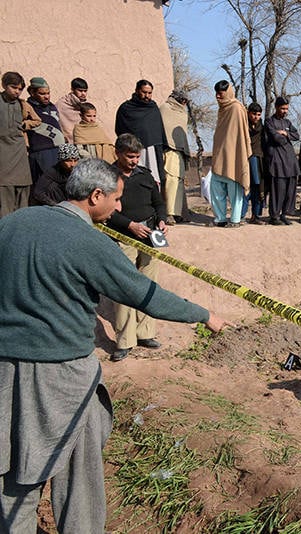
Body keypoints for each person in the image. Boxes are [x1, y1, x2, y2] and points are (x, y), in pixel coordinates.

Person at [0, 158, 229, 534]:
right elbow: (144, 294)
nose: (120, 208)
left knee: (15, 473)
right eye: (117, 199)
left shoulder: (10, 224)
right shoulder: (88, 241)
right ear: (95, 196)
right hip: (63, 379)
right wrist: (203, 314)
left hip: (5, 373)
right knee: (79, 473)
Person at [106, 134, 168, 362]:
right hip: (123, 236)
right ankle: (124, 341)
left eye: (137, 156)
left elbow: (158, 202)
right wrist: (129, 226)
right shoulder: (107, 177)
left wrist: (162, 220)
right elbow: (105, 212)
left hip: (150, 236)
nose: (134, 161)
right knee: (124, 287)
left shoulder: (145, 175)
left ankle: (145, 334)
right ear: (118, 153)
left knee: (148, 285)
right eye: (130, 156)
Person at [209, 80, 251, 228]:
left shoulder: (237, 108)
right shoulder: (222, 109)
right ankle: (220, 218)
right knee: (216, 188)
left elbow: (240, 136)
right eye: (217, 94)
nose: (218, 97)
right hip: (220, 155)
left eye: (220, 94)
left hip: (234, 157)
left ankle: (235, 219)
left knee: (235, 192)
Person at [115, 79, 168, 186]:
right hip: (132, 150)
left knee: (153, 179)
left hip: (151, 151)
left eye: (149, 93)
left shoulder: (153, 108)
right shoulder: (126, 108)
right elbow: (120, 129)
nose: (147, 96)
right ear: (137, 90)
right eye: (144, 92)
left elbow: (158, 131)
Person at [0, 71, 38, 217]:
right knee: (4, 188)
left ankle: (21, 220)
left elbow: (37, 120)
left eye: (20, 88)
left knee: (23, 186)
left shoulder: (23, 105)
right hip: (3, 150)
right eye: (13, 87)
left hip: (19, 149)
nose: (17, 91)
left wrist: (25, 124)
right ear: (4, 85)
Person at [265, 96, 301, 225]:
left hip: (290, 162)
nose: (285, 111)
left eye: (286, 109)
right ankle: (274, 216)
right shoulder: (269, 121)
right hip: (277, 162)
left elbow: (297, 135)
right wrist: (283, 136)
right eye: (282, 108)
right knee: (277, 191)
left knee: (289, 191)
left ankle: (284, 214)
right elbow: (276, 139)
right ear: (276, 107)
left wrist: (285, 133)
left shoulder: (287, 123)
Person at [159, 89, 192, 225]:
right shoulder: (164, 108)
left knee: (177, 183)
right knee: (170, 182)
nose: (184, 104)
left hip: (179, 152)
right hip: (167, 150)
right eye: (183, 101)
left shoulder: (183, 113)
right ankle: (168, 213)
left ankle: (177, 212)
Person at [26, 77, 65, 184]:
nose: (46, 97)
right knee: (45, 184)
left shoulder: (52, 107)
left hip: (58, 150)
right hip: (41, 153)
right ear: (32, 93)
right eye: (42, 94)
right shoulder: (27, 108)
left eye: (48, 93)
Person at [243, 102, 267, 224]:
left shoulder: (261, 126)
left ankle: (255, 216)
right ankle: (240, 216)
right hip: (246, 159)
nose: (256, 117)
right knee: (246, 188)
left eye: (258, 115)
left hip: (259, 159)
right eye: (254, 114)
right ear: (248, 113)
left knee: (258, 188)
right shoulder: (243, 124)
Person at [55, 77, 88, 143]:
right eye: (80, 91)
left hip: (84, 140)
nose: (83, 94)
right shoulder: (61, 104)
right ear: (72, 89)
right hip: (68, 143)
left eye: (85, 91)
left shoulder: (85, 105)